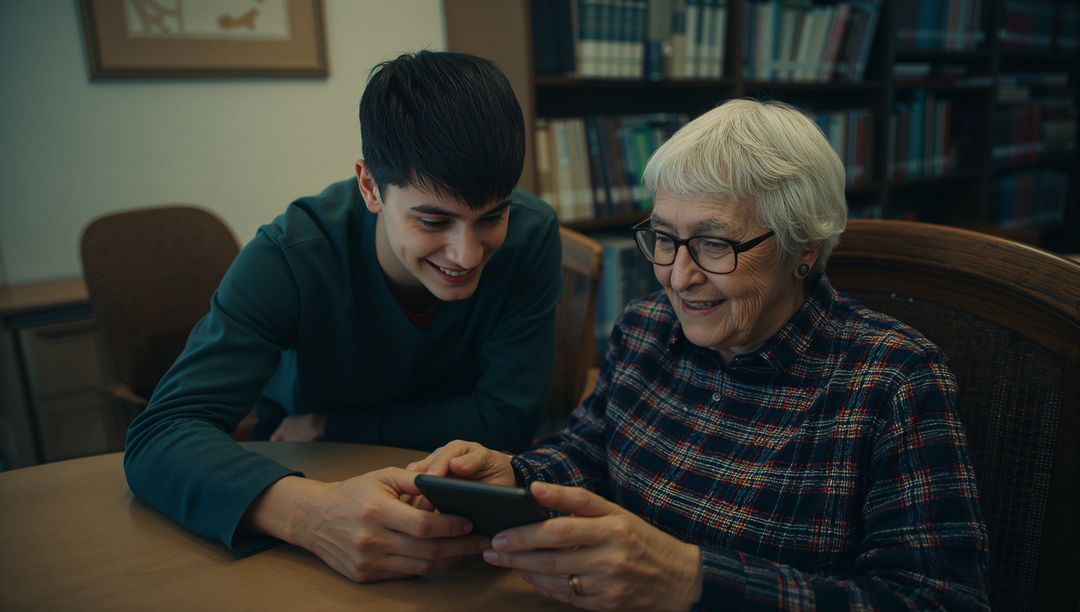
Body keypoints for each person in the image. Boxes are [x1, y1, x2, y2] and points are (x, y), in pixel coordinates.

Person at [410, 99, 990, 610]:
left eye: (714, 244)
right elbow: (590, 454)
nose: (678, 277)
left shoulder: (895, 380)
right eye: (664, 238)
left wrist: (690, 581)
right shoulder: (644, 327)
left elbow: (938, 600)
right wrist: (512, 477)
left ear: (802, 249)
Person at [123, 51, 563, 582]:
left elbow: (509, 419)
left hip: (462, 513)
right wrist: (310, 513)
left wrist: (333, 423)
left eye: (491, 216)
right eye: (433, 220)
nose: (467, 254)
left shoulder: (532, 234)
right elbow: (162, 431)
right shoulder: (291, 253)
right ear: (370, 186)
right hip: (304, 483)